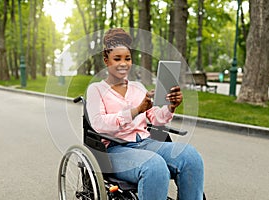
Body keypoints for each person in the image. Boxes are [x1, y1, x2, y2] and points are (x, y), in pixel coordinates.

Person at [86, 28, 204, 200]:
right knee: (154, 167)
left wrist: (171, 107)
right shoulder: (96, 89)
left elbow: (156, 118)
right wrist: (135, 111)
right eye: (117, 59)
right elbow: (98, 124)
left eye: (127, 58)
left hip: (146, 143)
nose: (123, 63)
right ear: (106, 61)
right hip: (115, 149)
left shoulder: (138, 88)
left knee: (190, 156)